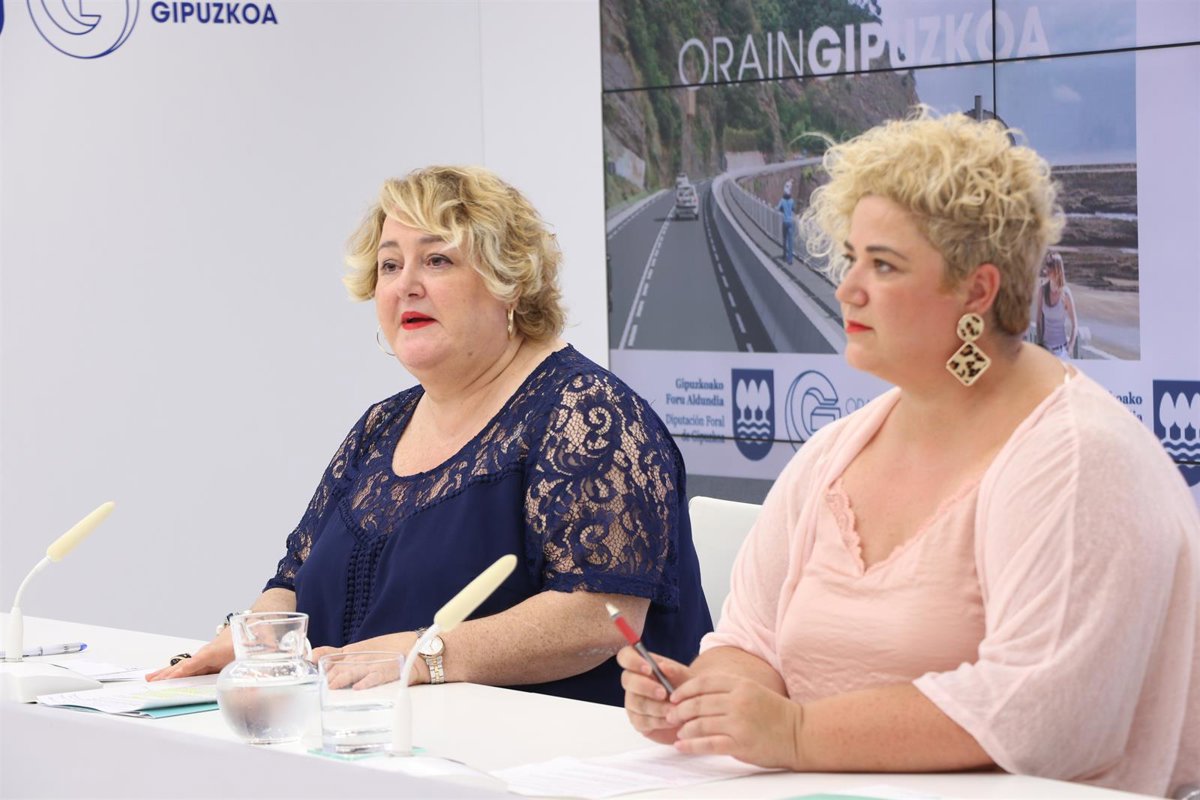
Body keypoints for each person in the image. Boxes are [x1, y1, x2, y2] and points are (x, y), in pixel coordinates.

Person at [618, 109, 1199, 796]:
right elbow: (750, 643)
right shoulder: (835, 451)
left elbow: (1043, 719)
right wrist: (705, 701)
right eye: (851, 257)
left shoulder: (1078, 460)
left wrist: (797, 733)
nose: (847, 289)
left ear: (978, 291)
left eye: (884, 265)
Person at [149, 165, 711, 705]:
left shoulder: (590, 414)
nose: (405, 286)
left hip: (561, 755)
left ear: (509, 281)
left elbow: (599, 617)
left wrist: (424, 656)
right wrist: (254, 639)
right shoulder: (381, 426)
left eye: (437, 260)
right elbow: (294, 579)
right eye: (389, 265)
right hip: (376, 740)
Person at [1035, 251, 1078, 358]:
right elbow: (1038, 320)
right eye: (1047, 265)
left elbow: (1075, 324)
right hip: (1045, 351)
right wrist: (1040, 342)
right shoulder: (1042, 291)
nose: (1047, 269)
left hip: (1061, 351)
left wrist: (1070, 348)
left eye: (1050, 265)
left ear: (1057, 269)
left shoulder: (1065, 294)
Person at [777, 181, 796, 264]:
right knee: (790, 241)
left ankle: (784, 255)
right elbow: (793, 209)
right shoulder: (792, 201)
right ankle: (790, 259)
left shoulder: (782, 200)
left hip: (785, 221)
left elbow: (777, 208)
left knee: (785, 239)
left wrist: (782, 210)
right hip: (790, 221)